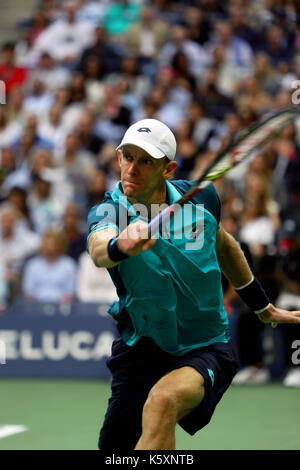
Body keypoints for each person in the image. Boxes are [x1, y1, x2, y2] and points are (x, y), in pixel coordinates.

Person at [87, 119, 300, 451]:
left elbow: (226, 246)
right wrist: (119, 245)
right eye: (126, 157)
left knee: (162, 402)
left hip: (205, 346)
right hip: (141, 348)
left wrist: (261, 305)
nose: (132, 168)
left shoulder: (201, 200)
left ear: (168, 168)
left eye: (146, 161)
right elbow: (99, 248)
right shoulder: (110, 211)